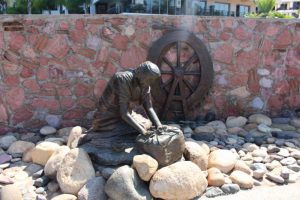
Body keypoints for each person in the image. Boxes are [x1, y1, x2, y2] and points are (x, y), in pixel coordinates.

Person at [88, 61, 162, 135]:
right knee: (139, 129)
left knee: (148, 124)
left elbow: (149, 107)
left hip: (126, 115)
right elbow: (124, 113)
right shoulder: (123, 78)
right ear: (142, 74)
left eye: (152, 80)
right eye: (149, 79)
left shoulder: (144, 83)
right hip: (107, 118)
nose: (151, 82)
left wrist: (159, 125)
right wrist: (143, 131)